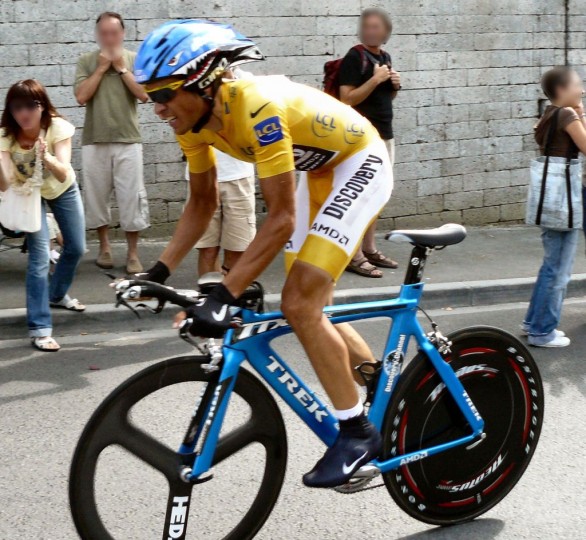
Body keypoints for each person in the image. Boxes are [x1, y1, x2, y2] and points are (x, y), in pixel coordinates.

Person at [133, 20, 393, 488]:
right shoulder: (191, 121)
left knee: (298, 302)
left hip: (360, 162)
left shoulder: (257, 107)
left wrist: (225, 293)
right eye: (151, 97)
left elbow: (278, 220)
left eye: (165, 94)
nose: (158, 109)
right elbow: (202, 203)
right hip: (319, 173)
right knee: (314, 308)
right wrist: (158, 270)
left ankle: (357, 434)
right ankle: (378, 384)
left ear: (202, 82)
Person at [0, 80, 86, 352]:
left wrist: (44, 155)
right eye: (17, 107)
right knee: (38, 259)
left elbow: (63, 172)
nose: (24, 113)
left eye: (31, 105)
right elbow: (5, 183)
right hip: (27, 193)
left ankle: (57, 294)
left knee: (76, 247)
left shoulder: (58, 127)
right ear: (10, 110)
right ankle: (40, 328)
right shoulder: (6, 135)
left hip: (61, 187)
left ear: (42, 106)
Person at [74, 11, 150, 274]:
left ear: (123, 33)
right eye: (103, 33)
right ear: (97, 35)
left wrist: (120, 69)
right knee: (96, 197)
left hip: (128, 139)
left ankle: (132, 253)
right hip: (94, 139)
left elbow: (144, 95)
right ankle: (104, 247)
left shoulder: (134, 59)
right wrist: (103, 67)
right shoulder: (86, 61)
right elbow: (81, 96)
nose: (109, 38)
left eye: (114, 33)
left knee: (132, 198)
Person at [523, 67, 586, 347]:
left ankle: (532, 322)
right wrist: (581, 113)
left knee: (550, 265)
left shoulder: (549, 114)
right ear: (561, 90)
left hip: (550, 200)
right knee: (558, 270)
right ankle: (542, 331)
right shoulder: (568, 114)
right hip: (565, 202)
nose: (581, 90)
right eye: (577, 85)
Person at [338, 7, 401, 278]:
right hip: (361, 139)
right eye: (367, 26)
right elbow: (346, 99)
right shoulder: (355, 57)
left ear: (386, 32)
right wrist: (376, 79)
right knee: (360, 197)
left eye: (377, 27)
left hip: (385, 136)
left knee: (377, 196)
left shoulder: (384, 56)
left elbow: (383, 100)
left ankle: (370, 248)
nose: (371, 31)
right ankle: (354, 254)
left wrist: (393, 86)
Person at [187, 148, 256, 276]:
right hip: (201, 176)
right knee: (207, 250)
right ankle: (207, 293)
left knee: (237, 250)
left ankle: (230, 294)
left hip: (239, 176)